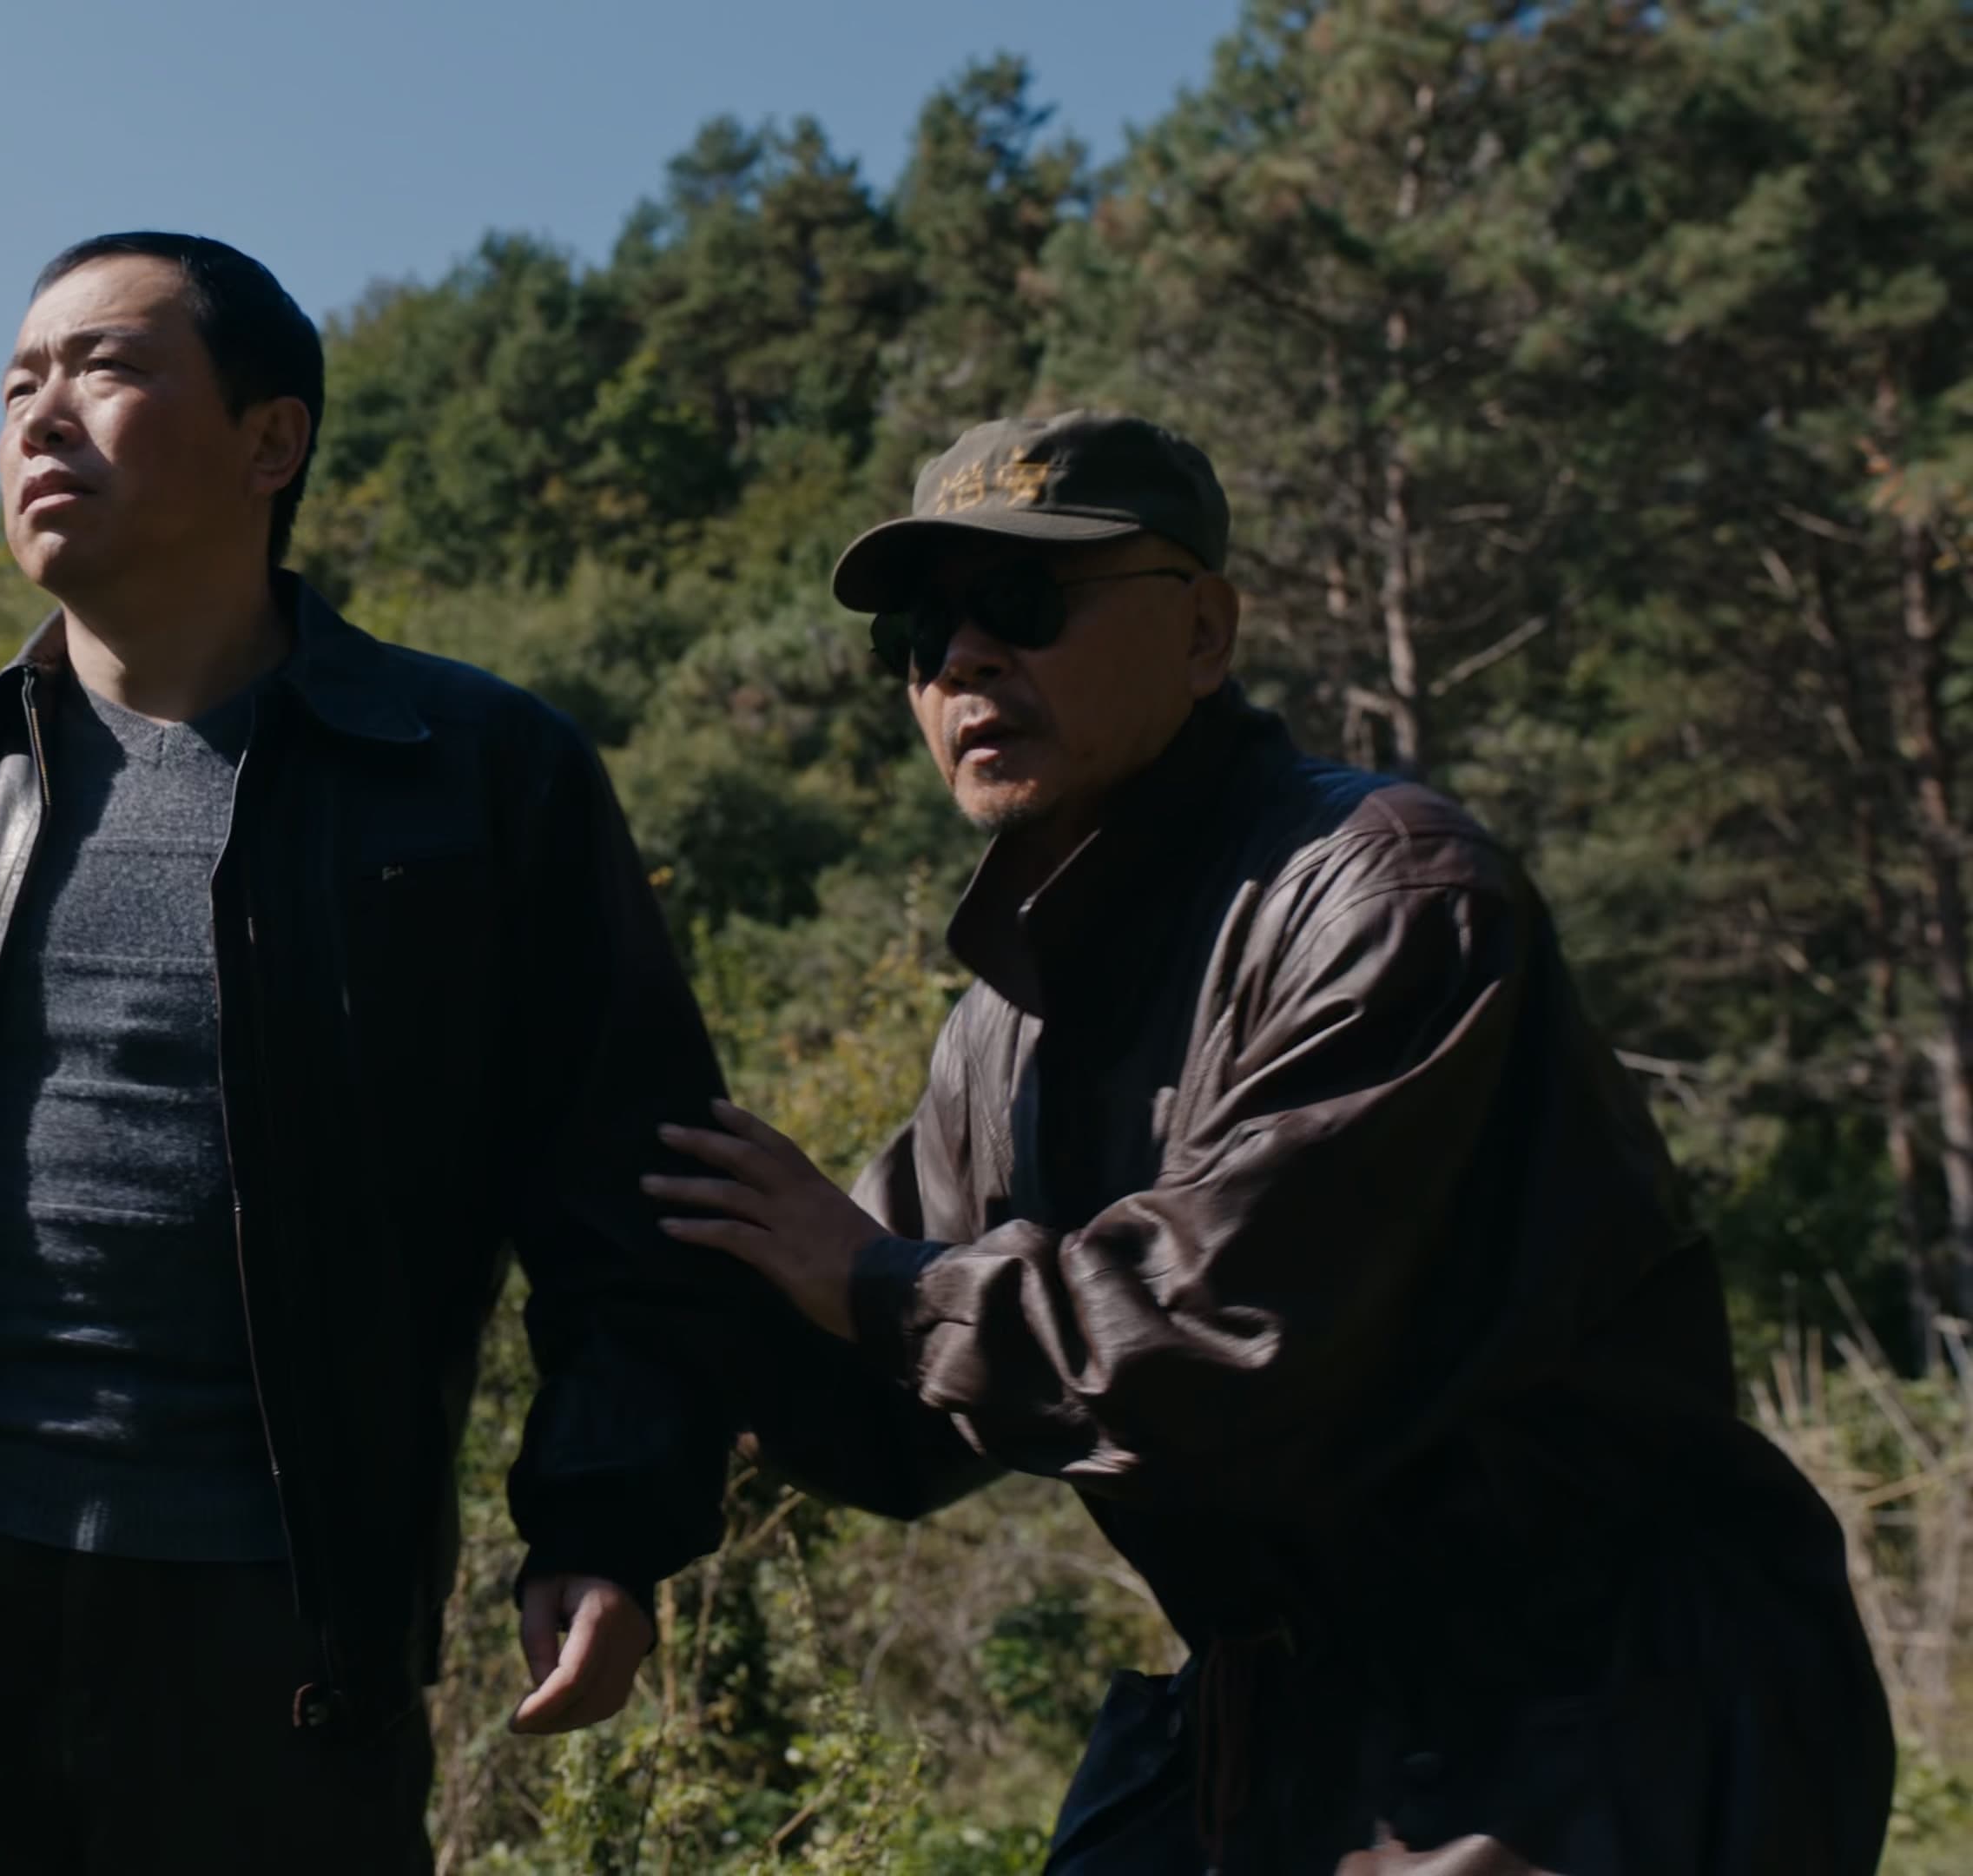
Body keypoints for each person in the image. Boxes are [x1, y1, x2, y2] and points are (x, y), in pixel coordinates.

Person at [0, 231, 736, 1874]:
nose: (40, 415)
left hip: (283, 1637)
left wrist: (605, 1519)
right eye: (17, 382)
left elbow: (634, 1196)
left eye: (105, 367)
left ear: (271, 441)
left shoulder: (479, 782)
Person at [648, 411, 1894, 1873]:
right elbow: (887, 1405)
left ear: (1205, 633)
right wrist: (637, 1309)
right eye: (922, 635)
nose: (966, 660)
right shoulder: (1004, 1030)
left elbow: (1214, 1340)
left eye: (1025, 603)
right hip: (1288, 1724)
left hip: (1589, 1718)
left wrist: (876, 1287)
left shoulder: (1394, 899)